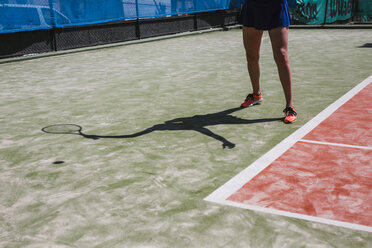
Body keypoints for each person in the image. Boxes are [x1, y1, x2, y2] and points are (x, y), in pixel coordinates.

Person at [239, 0, 297, 123]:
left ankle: (289, 106)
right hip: (253, 7)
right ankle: (256, 95)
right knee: (251, 56)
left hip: (276, 6)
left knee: (281, 56)